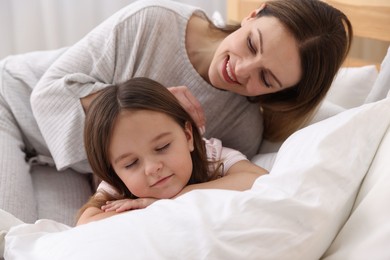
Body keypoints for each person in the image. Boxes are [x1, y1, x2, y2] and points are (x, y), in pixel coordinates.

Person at [0, 0, 352, 223]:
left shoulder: (241, 127)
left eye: (266, 78)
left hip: (71, 168)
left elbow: (233, 179)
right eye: (251, 44)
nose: (241, 70)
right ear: (252, 14)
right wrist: (147, 99)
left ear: (281, 93)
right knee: (6, 231)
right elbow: (46, 96)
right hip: (12, 108)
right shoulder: (153, 21)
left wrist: (165, 200)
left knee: (53, 244)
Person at [76, 77, 268, 225]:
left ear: (188, 137)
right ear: (114, 172)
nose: (152, 168)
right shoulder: (118, 184)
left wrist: (164, 202)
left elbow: (256, 177)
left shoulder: (211, 154)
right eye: (131, 164)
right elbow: (85, 223)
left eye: (162, 147)